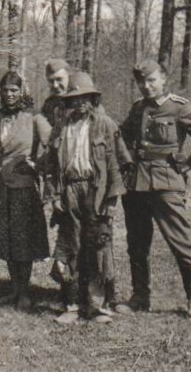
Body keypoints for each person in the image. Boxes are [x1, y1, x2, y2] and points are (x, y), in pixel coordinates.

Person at [116, 59, 191, 319]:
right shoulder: (138, 108)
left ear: (164, 79)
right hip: (137, 185)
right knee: (137, 243)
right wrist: (124, 162)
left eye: (151, 80)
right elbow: (122, 136)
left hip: (166, 184)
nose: (146, 86)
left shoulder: (178, 108)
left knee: (180, 240)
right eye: (142, 81)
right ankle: (140, 296)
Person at [45, 72, 129, 324]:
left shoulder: (105, 124)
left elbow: (117, 164)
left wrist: (112, 201)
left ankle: (98, 305)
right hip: (69, 189)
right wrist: (54, 195)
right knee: (70, 244)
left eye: (86, 98)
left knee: (98, 247)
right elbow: (50, 164)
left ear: (92, 99)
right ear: (68, 101)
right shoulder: (62, 126)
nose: (80, 103)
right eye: (75, 98)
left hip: (97, 191)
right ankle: (70, 304)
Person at [0, 71, 50, 310]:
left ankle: (25, 292)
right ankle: (14, 289)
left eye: (14, 90)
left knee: (23, 241)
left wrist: (35, 165)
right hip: (0, 188)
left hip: (23, 188)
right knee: (7, 241)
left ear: (22, 92)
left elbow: (51, 148)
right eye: (5, 90)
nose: (9, 95)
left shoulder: (34, 118)